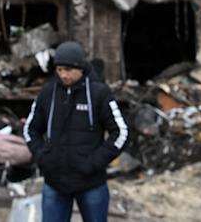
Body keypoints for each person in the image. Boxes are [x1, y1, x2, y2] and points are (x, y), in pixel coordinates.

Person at [23, 41, 128, 222]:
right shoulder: (47, 93)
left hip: (91, 183)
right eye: (59, 69)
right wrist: (42, 157)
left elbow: (121, 132)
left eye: (69, 70)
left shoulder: (99, 93)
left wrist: (95, 162)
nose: (63, 75)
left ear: (81, 68)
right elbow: (30, 129)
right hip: (55, 182)